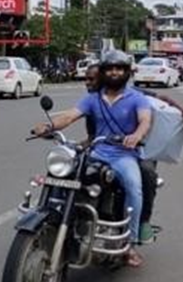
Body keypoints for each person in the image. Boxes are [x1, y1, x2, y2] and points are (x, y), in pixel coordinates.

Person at [33, 51, 152, 268]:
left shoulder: (136, 98)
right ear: (104, 72)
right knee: (64, 177)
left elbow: (145, 120)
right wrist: (48, 126)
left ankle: (130, 242)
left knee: (134, 187)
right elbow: (70, 115)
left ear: (126, 72)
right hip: (96, 152)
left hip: (123, 155)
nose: (114, 72)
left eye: (119, 68)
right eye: (110, 68)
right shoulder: (93, 98)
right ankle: (56, 223)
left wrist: (136, 136)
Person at [83, 64, 183, 243]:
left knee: (147, 173)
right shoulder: (92, 100)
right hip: (103, 149)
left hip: (135, 149)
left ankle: (143, 222)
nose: (87, 83)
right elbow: (91, 135)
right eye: (86, 79)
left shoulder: (131, 94)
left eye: (92, 79)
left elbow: (164, 98)